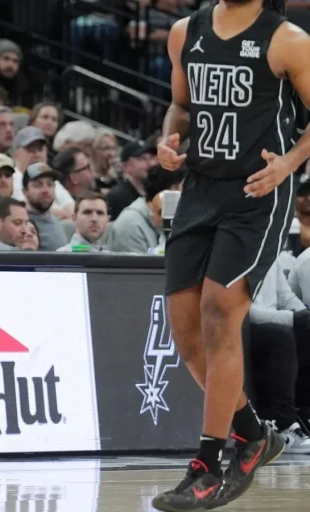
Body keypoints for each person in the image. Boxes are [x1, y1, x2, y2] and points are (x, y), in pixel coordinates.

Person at [152, 0, 310, 508]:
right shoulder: (185, 31)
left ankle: (208, 464)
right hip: (200, 188)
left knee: (220, 310)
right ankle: (252, 432)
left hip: (256, 194)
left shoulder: (287, 40)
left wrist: (288, 164)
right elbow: (181, 106)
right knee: (184, 326)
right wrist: (170, 138)